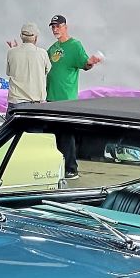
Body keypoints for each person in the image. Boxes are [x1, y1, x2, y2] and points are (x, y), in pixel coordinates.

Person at [46, 14, 102, 178]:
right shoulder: (52, 48)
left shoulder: (75, 45)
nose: (55, 29)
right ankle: (56, 168)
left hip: (66, 99)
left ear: (65, 27)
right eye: (53, 27)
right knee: (53, 136)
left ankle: (71, 168)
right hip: (50, 98)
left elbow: (85, 64)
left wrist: (90, 62)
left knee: (66, 135)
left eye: (58, 26)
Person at [5, 23, 51, 106]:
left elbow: (9, 73)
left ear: (21, 36)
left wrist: (15, 50)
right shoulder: (42, 53)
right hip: (36, 105)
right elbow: (47, 70)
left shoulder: (11, 52)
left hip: (16, 103)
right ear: (36, 37)